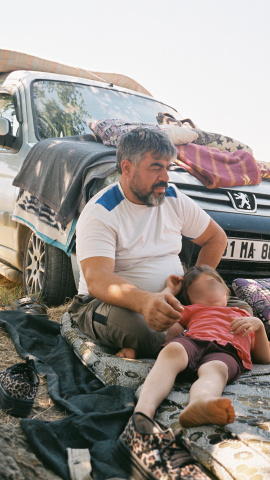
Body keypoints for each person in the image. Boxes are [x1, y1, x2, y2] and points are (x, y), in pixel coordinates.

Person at [68, 127, 228, 358]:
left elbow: (215, 238)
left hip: (172, 295)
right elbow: (97, 280)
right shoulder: (101, 212)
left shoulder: (172, 198)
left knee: (239, 311)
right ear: (127, 168)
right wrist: (145, 302)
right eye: (155, 167)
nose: (165, 176)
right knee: (146, 331)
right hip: (107, 304)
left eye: (167, 167)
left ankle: (187, 338)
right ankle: (200, 342)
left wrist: (195, 288)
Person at [133, 265, 270, 427]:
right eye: (198, 292)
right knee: (172, 350)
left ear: (225, 291)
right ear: (190, 300)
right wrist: (170, 290)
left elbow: (264, 357)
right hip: (192, 342)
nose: (207, 293)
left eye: (212, 285)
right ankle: (143, 411)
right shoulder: (192, 310)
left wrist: (260, 327)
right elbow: (160, 308)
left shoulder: (244, 316)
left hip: (227, 352)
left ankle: (200, 404)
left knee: (216, 369)